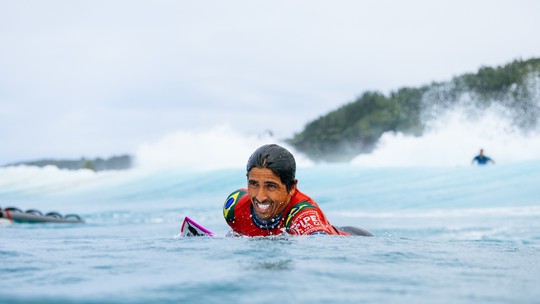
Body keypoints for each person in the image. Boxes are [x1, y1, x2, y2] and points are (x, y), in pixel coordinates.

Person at [223, 144, 372, 237]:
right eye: (254, 184)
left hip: (356, 238)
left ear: (292, 187)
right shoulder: (234, 208)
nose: (260, 197)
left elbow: (322, 246)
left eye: (271, 186)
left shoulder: (304, 218)